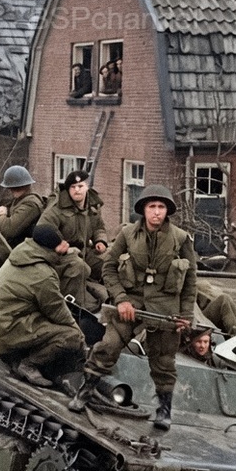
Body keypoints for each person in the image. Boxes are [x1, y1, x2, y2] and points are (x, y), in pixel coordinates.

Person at [72, 185, 197, 431]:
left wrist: (186, 315)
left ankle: (164, 409)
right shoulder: (128, 234)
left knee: (163, 361)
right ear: (143, 209)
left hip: (165, 306)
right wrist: (120, 299)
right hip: (131, 303)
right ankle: (85, 391)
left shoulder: (181, 239)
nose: (156, 213)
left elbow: (191, 280)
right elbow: (108, 267)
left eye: (161, 207)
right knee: (107, 347)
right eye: (152, 207)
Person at [0, 224, 86, 388]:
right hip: (13, 333)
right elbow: (57, 311)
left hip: (4, 329)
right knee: (71, 336)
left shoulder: (22, 254)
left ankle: (19, 359)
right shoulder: (42, 274)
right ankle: (28, 364)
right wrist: (80, 337)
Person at [0, 165, 46, 283]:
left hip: (23, 249)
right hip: (15, 245)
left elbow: (10, 230)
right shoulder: (18, 201)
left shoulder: (31, 204)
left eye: (18, 187)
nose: (13, 190)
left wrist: (1, 215)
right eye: (12, 187)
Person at [38, 169, 108, 281]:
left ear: (87, 187)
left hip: (85, 252)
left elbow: (99, 227)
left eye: (80, 186)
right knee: (80, 268)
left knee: (109, 262)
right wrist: (58, 245)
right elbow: (41, 230)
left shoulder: (93, 206)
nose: (77, 190)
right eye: (73, 187)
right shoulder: (57, 208)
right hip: (62, 256)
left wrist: (100, 240)